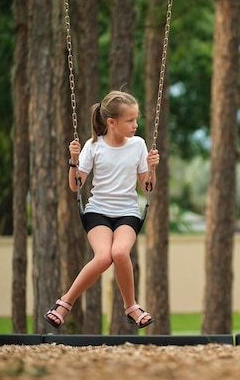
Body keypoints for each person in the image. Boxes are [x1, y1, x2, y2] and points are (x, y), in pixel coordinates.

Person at [44, 90, 160, 329]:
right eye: (130, 120)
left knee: (119, 253)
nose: (135, 125)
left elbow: (146, 185)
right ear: (111, 122)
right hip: (98, 212)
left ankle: (131, 307)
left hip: (127, 212)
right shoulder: (93, 146)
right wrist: (74, 160)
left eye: (136, 119)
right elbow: (75, 185)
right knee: (103, 257)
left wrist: (151, 168)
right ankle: (65, 302)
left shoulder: (138, 145)